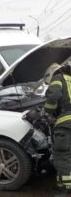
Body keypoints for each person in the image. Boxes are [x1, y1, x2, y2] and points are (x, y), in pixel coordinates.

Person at [43, 62, 71, 197]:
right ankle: (62, 185)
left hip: (66, 123)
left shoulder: (58, 78)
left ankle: (64, 190)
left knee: (62, 155)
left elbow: (53, 96)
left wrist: (47, 112)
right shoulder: (69, 78)